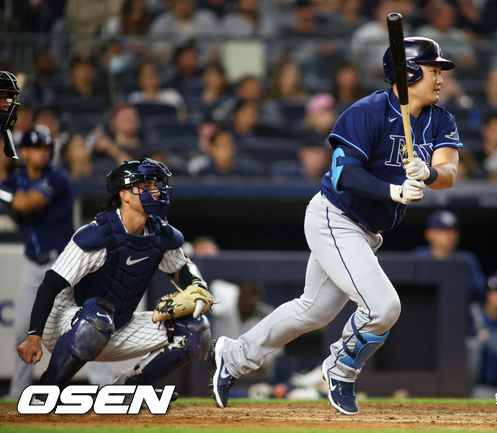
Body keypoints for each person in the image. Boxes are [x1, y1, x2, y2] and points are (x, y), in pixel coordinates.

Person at [210, 37, 461, 415]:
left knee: (311, 311)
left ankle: (233, 356)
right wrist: (393, 189)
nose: (440, 78)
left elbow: (450, 173)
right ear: (407, 73)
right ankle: (339, 370)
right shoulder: (368, 111)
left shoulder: (440, 119)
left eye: (441, 71)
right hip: (335, 217)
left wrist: (428, 172)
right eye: (433, 70)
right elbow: (344, 173)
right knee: (383, 307)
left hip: (367, 232)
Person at [16, 158, 212, 393]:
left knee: (196, 329)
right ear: (125, 195)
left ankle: (126, 390)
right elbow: (50, 284)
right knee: (96, 320)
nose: (156, 191)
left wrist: (198, 285)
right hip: (64, 324)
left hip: (117, 324)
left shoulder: (161, 234)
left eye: (156, 184)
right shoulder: (98, 234)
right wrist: (34, 336)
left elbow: (182, 267)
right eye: (146, 185)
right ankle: (46, 391)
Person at [0, 126, 113, 398]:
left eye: (46, 148)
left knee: (85, 328)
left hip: (63, 266)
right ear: (24, 152)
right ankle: (19, 393)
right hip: (33, 265)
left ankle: (105, 387)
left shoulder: (57, 178)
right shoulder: (16, 181)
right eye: (37, 148)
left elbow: (27, 204)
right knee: (21, 333)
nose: (43, 153)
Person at [413, 210, 485, 303]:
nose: (450, 235)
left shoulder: (466, 259)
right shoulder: (419, 257)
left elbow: (479, 291)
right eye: (443, 231)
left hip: (457, 309)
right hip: (425, 309)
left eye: (453, 231)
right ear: (429, 234)